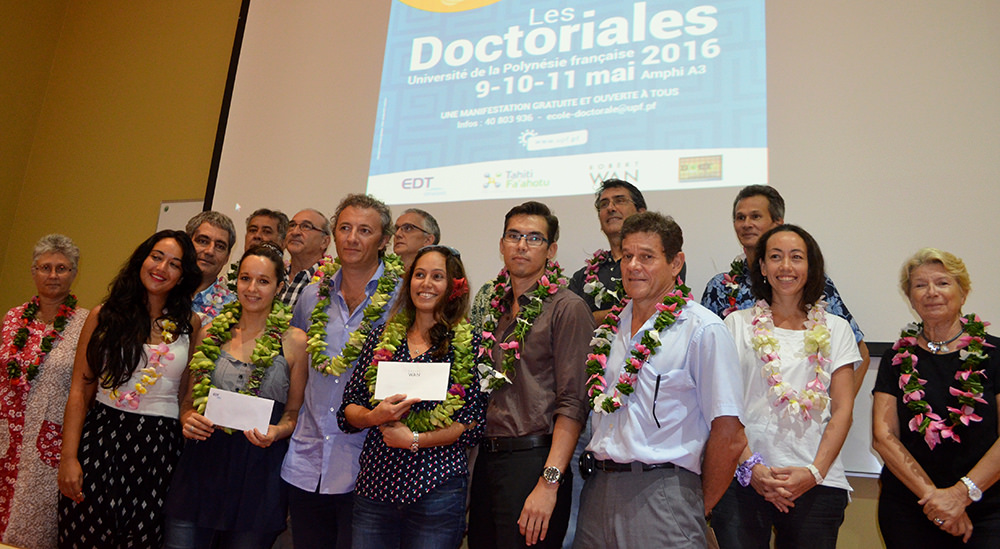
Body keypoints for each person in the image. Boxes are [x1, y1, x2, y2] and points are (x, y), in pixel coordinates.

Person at [574, 212, 745, 548]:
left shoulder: (702, 330)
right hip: (598, 492)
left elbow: (730, 435)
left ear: (676, 263)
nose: (633, 266)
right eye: (627, 256)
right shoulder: (611, 328)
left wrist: (698, 505)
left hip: (663, 492)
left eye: (647, 257)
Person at [712, 224, 861, 549]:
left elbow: (843, 410)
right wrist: (753, 467)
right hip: (743, 478)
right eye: (775, 257)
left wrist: (813, 472)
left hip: (818, 481)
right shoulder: (736, 324)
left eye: (796, 257)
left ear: (811, 267)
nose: (786, 267)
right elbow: (723, 406)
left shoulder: (836, 329)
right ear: (763, 267)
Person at [57, 230, 200, 548]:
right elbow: (80, 389)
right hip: (101, 441)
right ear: (142, 259)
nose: (162, 268)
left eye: (174, 264)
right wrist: (68, 457)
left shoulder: (192, 323)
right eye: (157, 257)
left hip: (159, 451)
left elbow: (187, 397)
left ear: (182, 276)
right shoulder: (103, 316)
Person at [339, 245, 485, 549]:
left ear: (454, 286)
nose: (426, 284)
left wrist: (414, 439)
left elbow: (471, 422)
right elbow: (348, 408)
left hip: (437, 489)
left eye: (437, 277)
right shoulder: (381, 337)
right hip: (376, 487)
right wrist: (373, 417)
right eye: (419, 275)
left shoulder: (469, 344)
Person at [163, 243, 308, 548]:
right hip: (201, 469)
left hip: (259, 475)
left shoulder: (295, 342)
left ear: (279, 287)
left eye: (263, 281)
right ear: (236, 281)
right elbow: (188, 400)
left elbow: (294, 412)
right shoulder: (210, 331)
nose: (252, 288)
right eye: (245, 279)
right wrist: (187, 418)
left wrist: (277, 430)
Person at [468, 201, 593, 549]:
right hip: (487, 459)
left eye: (534, 238)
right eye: (514, 236)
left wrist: (549, 482)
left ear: (551, 250)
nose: (522, 245)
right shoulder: (496, 309)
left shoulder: (568, 308)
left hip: (534, 462)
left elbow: (573, 402)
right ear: (502, 244)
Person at [281, 194, 404, 549]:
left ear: (382, 241)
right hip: (307, 458)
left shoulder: (401, 299)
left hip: (368, 463)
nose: (352, 238)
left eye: (364, 231)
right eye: (345, 228)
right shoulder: (311, 296)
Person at [872, 248, 1000, 548]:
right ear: (910, 296)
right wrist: (936, 500)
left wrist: (959, 495)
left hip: (987, 506)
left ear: (963, 292)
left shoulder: (995, 354)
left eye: (942, 283)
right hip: (911, 505)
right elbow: (883, 435)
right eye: (920, 285)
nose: (931, 292)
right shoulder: (895, 357)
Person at [700, 185, 871, 395]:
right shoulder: (720, 288)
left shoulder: (811, 282)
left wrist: (837, 412)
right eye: (740, 218)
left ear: (778, 223)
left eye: (755, 216)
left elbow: (860, 350)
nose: (746, 224)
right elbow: (706, 361)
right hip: (745, 417)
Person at [0, 234, 89, 548]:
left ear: (74, 273)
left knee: (35, 530)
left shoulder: (84, 323)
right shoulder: (12, 318)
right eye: (45, 267)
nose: (53, 275)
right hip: (5, 440)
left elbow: (86, 386)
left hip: (48, 446)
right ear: (33, 271)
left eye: (62, 268)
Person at [186, 211, 237, 322]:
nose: (210, 251)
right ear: (187, 244)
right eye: (203, 241)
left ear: (227, 257)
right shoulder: (163, 289)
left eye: (220, 246)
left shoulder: (232, 309)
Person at [278, 208, 333, 308]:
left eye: (306, 227)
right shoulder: (276, 273)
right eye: (292, 225)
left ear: (324, 242)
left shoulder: (333, 281)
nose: (295, 232)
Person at [226, 208, 290, 291]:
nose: (257, 236)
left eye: (266, 231)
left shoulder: (288, 281)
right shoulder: (227, 280)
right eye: (253, 230)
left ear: (283, 242)